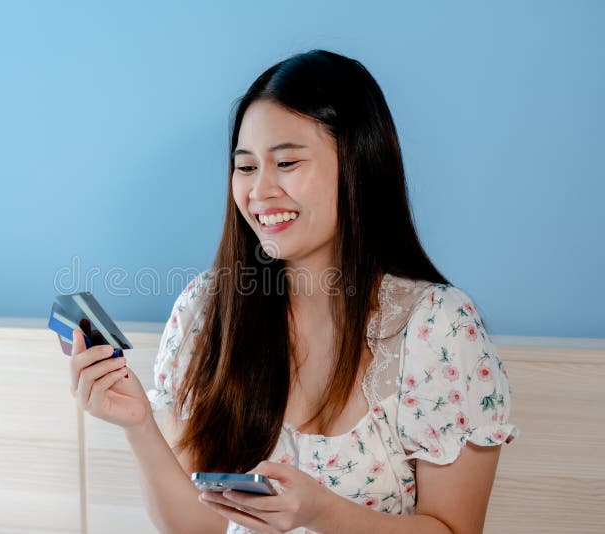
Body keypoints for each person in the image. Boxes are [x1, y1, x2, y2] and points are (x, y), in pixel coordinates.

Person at [69, 49, 518, 534]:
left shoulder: (438, 328)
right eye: (245, 167)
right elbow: (199, 527)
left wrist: (322, 512)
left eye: (285, 162)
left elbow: (456, 529)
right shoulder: (206, 311)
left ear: (358, 165)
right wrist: (139, 425)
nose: (260, 191)